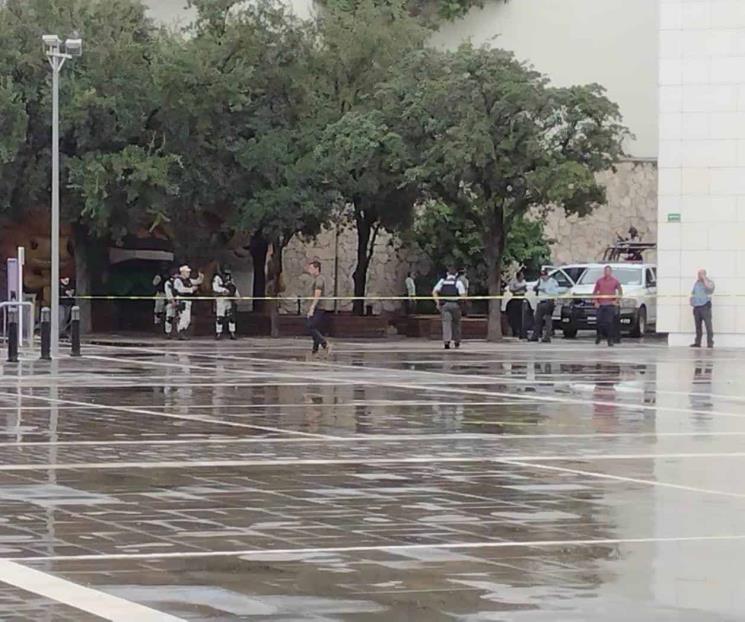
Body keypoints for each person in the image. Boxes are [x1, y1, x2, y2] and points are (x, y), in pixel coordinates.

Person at [432, 266, 466, 350]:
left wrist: (437, 302)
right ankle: (457, 341)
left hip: (445, 305)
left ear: (447, 274)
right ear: (456, 274)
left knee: (446, 323)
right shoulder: (458, 283)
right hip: (455, 305)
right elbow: (463, 296)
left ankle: (446, 342)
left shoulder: (442, 282)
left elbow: (434, 292)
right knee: (456, 323)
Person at [592, 265, 623, 347]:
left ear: (611, 272)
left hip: (610, 305)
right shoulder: (599, 281)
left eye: (608, 271)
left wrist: (616, 301)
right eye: (606, 271)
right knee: (599, 322)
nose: (607, 273)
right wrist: (595, 301)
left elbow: (620, 292)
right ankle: (599, 336)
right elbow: (595, 292)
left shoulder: (615, 281)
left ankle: (610, 340)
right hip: (601, 305)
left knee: (609, 323)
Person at [305, 260, 331, 357]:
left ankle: (325, 344)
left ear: (317, 269)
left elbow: (317, 294)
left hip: (319, 308)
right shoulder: (316, 279)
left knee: (310, 326)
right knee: (315, 328)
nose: (309, 270)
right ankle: (314, 351)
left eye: (311, 268)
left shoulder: (319, 279)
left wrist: (312, 308)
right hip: (317, 307)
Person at [173, 264, 203, 340]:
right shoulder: (178, 280)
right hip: (182, 301)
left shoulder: (188, 280)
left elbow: (197, 281)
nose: (188, 273)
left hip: (188, 301)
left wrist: (201, 276)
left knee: (187, 319)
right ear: (182, 272)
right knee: (183, 317)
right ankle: (180, 332)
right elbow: (180, 290)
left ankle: (182, 331)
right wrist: (191, 289)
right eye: (187, 272)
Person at [530, 268, 559, 343]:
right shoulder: (540, 281)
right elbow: (535, 288)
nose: (543, 277)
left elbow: (555, 293)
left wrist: (545, 290)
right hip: (540, 302)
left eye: (544, 275)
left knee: (547, 320)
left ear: (547, 275)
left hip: (548, 302)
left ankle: (547, 337)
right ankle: (535, 336)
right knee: (537, 320)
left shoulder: (553, 282)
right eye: (542, 275)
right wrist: (537, 287)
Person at [690, 269, 715, 348]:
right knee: (698, 326)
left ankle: (710, 343)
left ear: (704, 274)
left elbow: (710, 289)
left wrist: (704, 279)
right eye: (698, 274)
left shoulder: (709, 282)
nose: (699, 275)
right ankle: (697, 342)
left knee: (708, 326)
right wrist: (691, 300)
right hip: (697, 307)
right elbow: (693, 293)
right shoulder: (696, 283)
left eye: (700, 274)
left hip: (705, 307)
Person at [213, 265, 239, 340]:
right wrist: (224, 290)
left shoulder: (230, 278)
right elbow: (215, 287)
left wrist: (237, 296)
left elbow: (234, 287)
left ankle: (232, 332)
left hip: (229, 299)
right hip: (221, 299)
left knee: (231, 317)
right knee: (220, 317)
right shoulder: (217, 278)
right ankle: (218, 333)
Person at [507, 270, 528, 338]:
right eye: (521, 276)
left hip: (522, 298)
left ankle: (522, 332)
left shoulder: (524, 281)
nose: (522, 277)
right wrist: (519, 288)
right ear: (518, 277)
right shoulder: (513, 281)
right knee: (515, 317)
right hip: (515, 299)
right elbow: (511, 290)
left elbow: (525, 289)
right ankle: (515, 332)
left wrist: (523, 289)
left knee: (522, 317)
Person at [163, 267, 177, 338]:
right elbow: (168, 293)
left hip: (179, 301)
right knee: (169, 317)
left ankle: (179, 332)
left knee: (179, 318)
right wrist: (172, 301)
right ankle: (168, 332)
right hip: (170, 302)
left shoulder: (178, 281)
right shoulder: (168, 283)